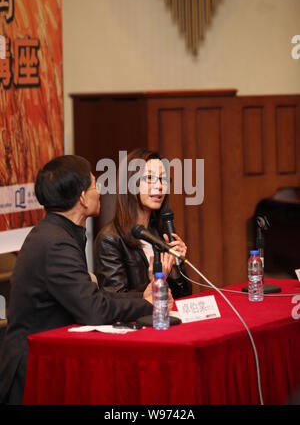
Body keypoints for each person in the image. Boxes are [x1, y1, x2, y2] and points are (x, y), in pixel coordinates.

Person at [0, 155, 162, 405]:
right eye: (95, 185)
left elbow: (90, 296)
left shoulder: (56, 233)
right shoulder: (56, 243)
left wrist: (141, 296)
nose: (100, 192)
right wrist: (148, 304)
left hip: (47, 361)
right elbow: (94, 309)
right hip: (31, 371)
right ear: (83, 197)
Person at [94, 149, 192, 299]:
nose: (159, 186)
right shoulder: (109, 239)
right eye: (150, 178)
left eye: (163, 179)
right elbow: (112, 300)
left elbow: (184, 295)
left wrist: (175, 268)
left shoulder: (160, 231)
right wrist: (154, 282)